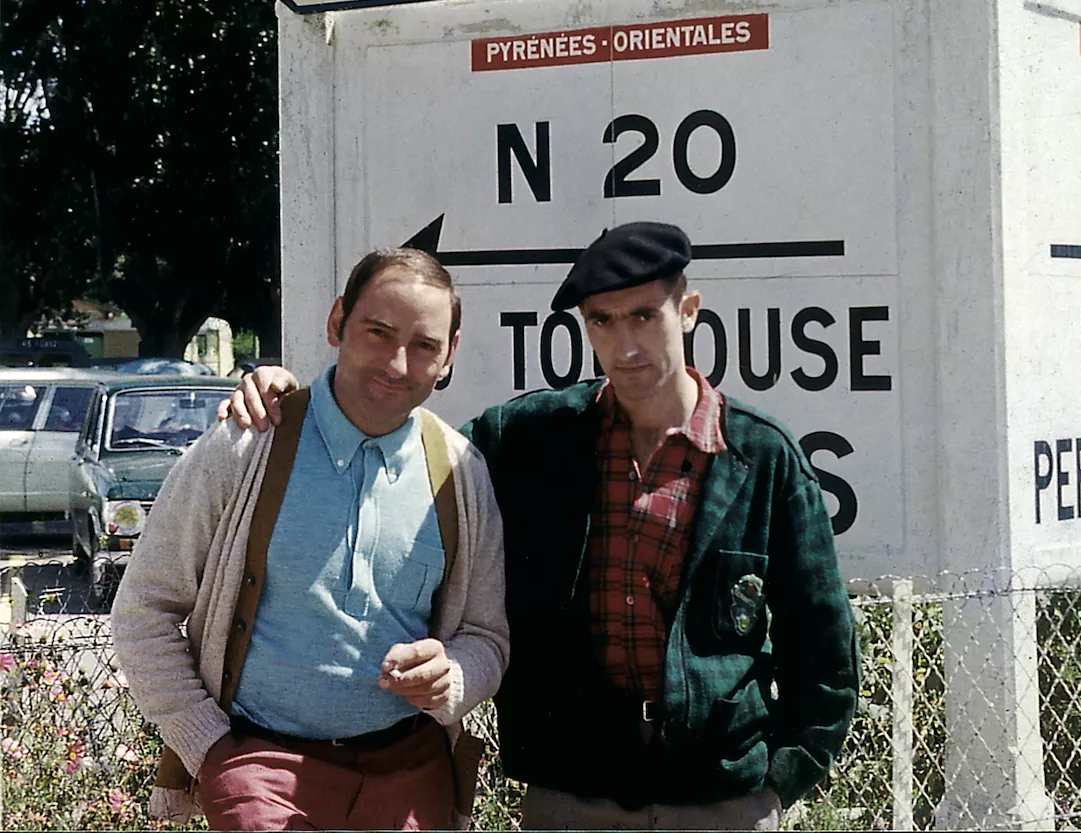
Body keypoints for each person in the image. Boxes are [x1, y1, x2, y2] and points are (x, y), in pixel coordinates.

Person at [228, 221, 858, 831]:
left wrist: (779, 783)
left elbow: (824, 651)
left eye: (645, 315)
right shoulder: (530, 438)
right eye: (603, 321)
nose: (627, 344)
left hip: (721, 800)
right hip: (570, 797)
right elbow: (398, 441)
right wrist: (294, 394)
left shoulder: (761, 459)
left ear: (688, 310)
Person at [112, 248, 509, 831]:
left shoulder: (459, 471)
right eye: (378, 332)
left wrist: (450, 677)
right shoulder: (247, 445)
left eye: (424, 345)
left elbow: (486, 637)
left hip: (408, 771)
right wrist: (210, 748)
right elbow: (144, 609)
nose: (398, 363)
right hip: (258, 765)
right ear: (336, 323)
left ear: (448, 357)